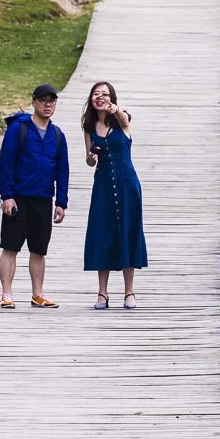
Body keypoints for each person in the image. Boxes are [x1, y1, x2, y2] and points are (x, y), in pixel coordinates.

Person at [0, 84, 70, 309]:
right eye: (43, 100)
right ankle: (7, 294)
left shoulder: (57, 135)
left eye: (52, 101)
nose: (48, 105)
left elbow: (62, 169)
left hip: (43, 199)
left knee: (39, 249)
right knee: (11, 247)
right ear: (34, 102)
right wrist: (7, 196)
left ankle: (37, 295)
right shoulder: (18, 128)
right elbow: (5, 163)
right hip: (18, 197)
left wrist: (61, 202)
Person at [81, 81, 147, 310]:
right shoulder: (89, 127)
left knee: (128, 232)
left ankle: (129, 292)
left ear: (112, 98)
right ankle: (102, 293)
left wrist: (116, 109)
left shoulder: (122, 119)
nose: (100, 97)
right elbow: (89, 160)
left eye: (105, 94)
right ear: (91, 99)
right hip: (103, 186)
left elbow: (124, 119)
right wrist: (91, 157)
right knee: (102, 234)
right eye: (96, 94)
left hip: (127, 182)